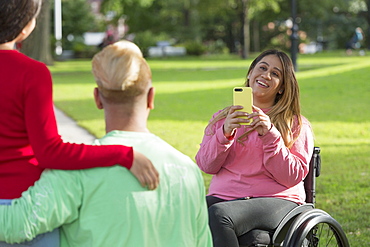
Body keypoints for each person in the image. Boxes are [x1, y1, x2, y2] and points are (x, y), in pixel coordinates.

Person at [0, 40, 212, 247]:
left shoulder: (73, 172)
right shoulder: (187, 171)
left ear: (97, 98)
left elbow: (15, 225)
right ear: (151, 97)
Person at [0, 1, 158, 246]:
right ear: (25, 27)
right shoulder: (31, 73)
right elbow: (50, 153)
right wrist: (124, 155)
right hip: (23, 207)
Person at [195, 49, 314, 246]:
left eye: (275, 74)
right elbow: (207, 166)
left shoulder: (294, 124)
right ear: (250, 73)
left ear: (282, 87)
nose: (266, 75)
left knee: (219, 215)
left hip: (276, 200)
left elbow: (292, 176)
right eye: (262, 68)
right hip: (225, 196)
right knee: (184, 211)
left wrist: (269, 134)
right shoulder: (223, 119)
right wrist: (224, 133)